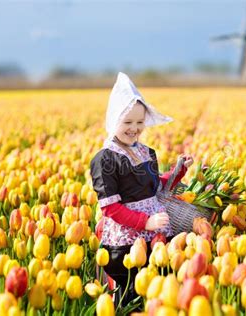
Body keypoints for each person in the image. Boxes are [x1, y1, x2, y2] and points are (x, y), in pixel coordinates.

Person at [90, 72, 193, 308]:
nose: (134, 129)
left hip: (155, 232)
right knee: (131, 295)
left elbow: (154, 186)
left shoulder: (146, 151)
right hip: (126, 239)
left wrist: (179, 171)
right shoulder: (105, 160)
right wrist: (144, 222)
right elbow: (111, 209)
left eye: (139, 122)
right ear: (113, 120)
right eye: (127, 122)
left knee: (156, 293)